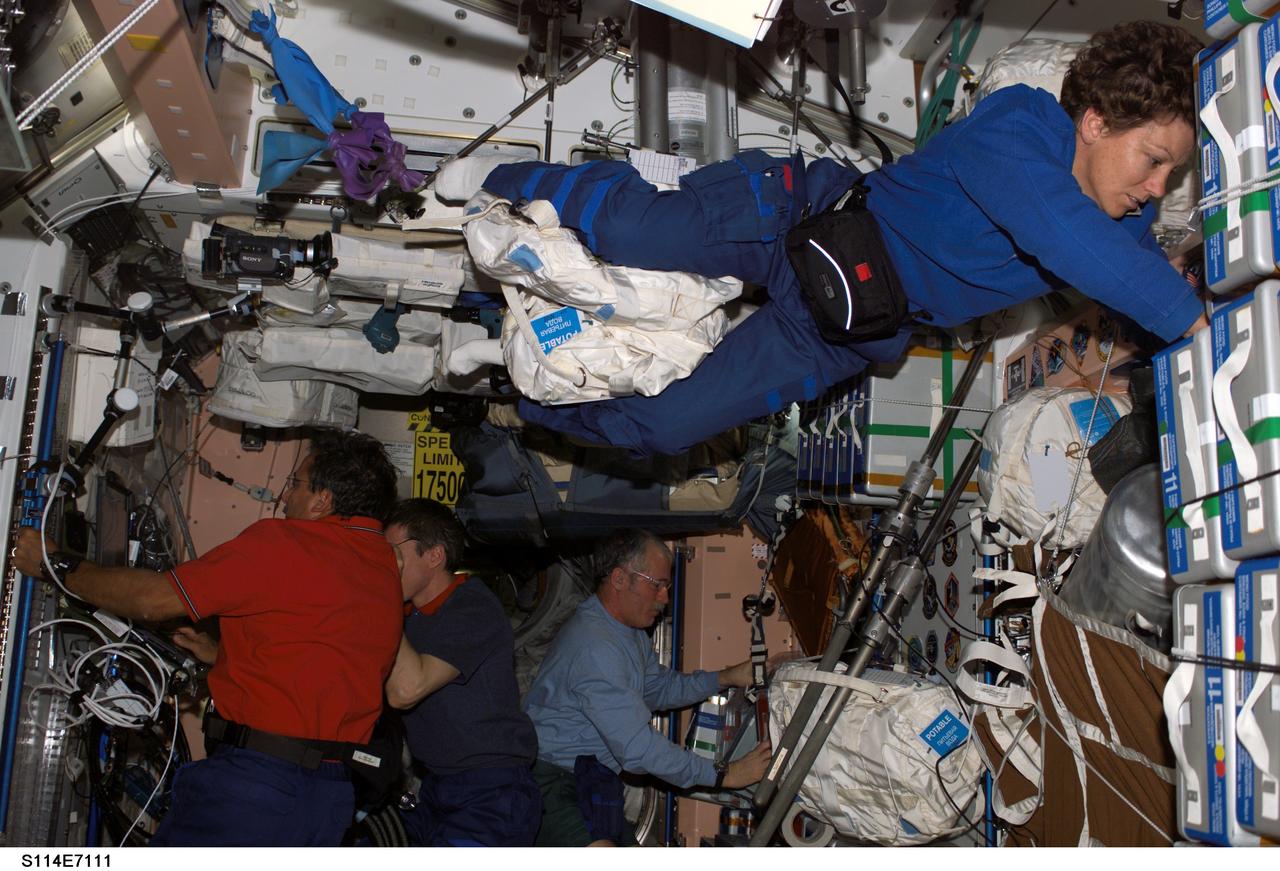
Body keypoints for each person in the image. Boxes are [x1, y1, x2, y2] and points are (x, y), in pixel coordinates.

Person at [476, 20, 1205, 457]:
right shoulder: (1020, 128)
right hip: (807, 220)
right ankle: (497, 180)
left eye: (1172, 172)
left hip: (845, 326)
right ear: (1098, 121)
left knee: (670, 427)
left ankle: (534, 404)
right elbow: (1067, 238)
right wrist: (1198, 328)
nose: (1157, 188)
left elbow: (1130, 269)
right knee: (633, 226)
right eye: (1155, 160)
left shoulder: (1124, 225)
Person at [10, 428, 402, 846]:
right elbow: (322, 656)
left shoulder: (288, 542)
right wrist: (224, 656)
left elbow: (152, 601)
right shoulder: (381, 570)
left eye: (295, 485)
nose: (285, 498)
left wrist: (56, 564)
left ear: (323, 500)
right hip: (326, 799)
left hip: (257, 790)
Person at [522, 529, 771, 846]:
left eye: (666, 586)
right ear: (619, 579)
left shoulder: (628, 632)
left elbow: (658, 689)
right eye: (657, 585)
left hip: (590, 779)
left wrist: (725, 677)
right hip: (553, 782)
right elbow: (637, 749)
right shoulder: (595, 646)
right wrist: (726, 774)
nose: (665, 597)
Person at [382, 498, 541, 847]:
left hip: (491, 791)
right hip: (437, 785)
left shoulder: (472, 607)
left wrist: (383, 596)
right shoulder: (410, 618)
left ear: (435, 556)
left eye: (393, 553)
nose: (384, 563)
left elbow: (406, 690)